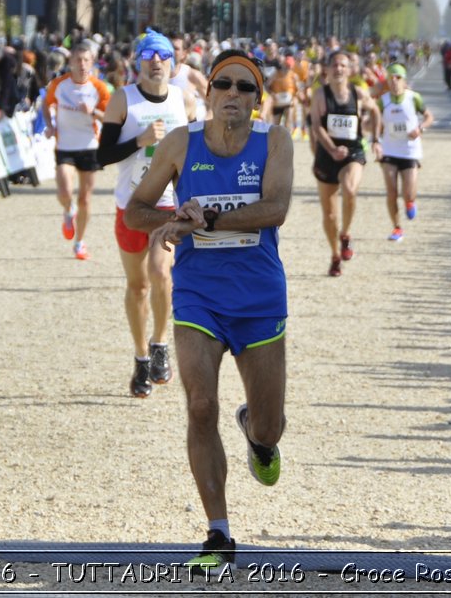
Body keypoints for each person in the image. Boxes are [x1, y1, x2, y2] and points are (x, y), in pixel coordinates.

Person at [124, 49, 294, 570]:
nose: (234, 95)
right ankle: (218, 533)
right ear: (209, 92)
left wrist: (208, 220)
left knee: (269, 426)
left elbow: (276, 210)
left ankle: (257, 437)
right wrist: (175, 216)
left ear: (257, 100)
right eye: (225, 85)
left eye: (247, 88)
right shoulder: (182, 143)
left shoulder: (274, 142)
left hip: (259, 295)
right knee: (200, 405)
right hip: (198, 294)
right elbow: (135, 211)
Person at [95, 30, 196, 397]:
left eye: (163, 57)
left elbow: (194, 154)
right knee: (137, 285)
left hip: (167, 204)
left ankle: (160, 344)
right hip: (130, 205)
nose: (156, 63)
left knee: (160, 272)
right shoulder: (123, 100)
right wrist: (139, 141)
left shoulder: (183, 101)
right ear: (138, 63)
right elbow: (101, 157)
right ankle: (140, 358)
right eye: (149, 57)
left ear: (173, 63)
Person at [310, 48, 378, 276]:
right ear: (327, 69)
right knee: (329, 215)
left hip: (353, 152)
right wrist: (331, 148)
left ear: (349, 70)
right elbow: (316, 126)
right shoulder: (320, 95)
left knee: (349, 189)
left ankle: (346, 234)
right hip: (327, 154)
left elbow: (376, 111)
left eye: (343, 65)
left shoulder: (358, 93)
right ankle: (335, 255)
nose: (338, 69)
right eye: (335, 65)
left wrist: (376, 139)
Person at [42, 40, 111, 260]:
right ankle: (67, 210)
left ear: (92, 63)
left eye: (86, 60)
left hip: (90, 145)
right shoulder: (59, 85)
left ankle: (79, 242)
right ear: (70, 62)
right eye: (78, 60)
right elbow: (46, 103)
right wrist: (50, 125)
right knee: (64, 191)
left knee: (86, 199)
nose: (82, 65)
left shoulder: (99, 88)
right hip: (65, 145)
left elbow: (110, 117)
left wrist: (93, 112)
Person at [375, 63, 432, 243]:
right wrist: (374, 139)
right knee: (391, 192)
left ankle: (410, 202)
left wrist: (420, 128)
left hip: (410, 150)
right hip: (390, 150)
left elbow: (429, 116)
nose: (394, 81)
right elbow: (375, 122)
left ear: (404, 80)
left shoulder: (414, 98)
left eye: (398, 78)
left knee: (408, 192)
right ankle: (397, 227)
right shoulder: (382, 100)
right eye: (390, 78)